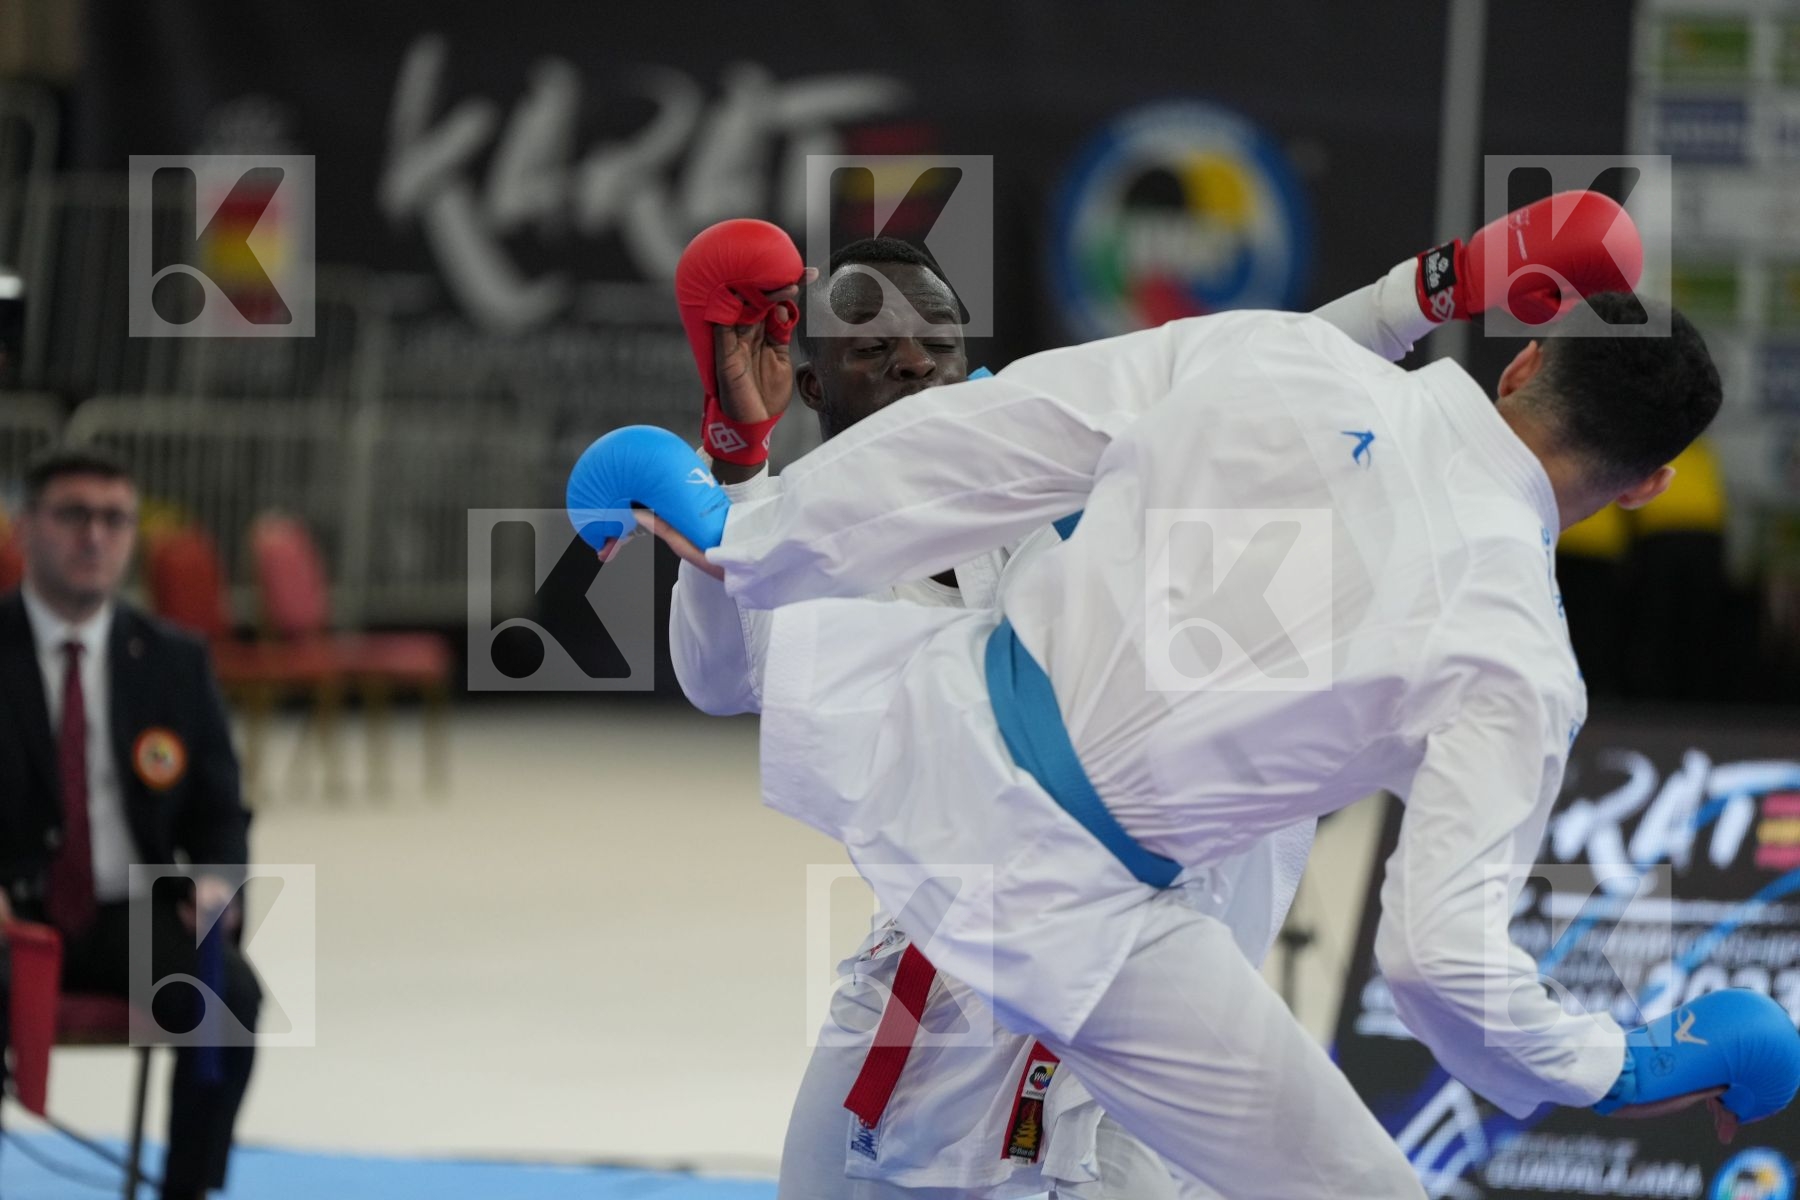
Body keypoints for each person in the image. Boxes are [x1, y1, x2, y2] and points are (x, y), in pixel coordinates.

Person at [580, 283, 1800, 1197]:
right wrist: (1621, 1066)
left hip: (957, 748)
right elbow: (1438, 965)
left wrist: (753, 526)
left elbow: (993, 432)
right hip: (1070, 926)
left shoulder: (1282, 356)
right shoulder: (1521, 662)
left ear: (1523, 360)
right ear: (1649, 483)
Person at [0, 448, 260, 1200]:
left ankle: (187, 1190)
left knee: (233, 1003)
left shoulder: (173, 659)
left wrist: (219, 881)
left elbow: (221, 806)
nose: (95, 537)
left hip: (130, 909)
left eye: (115, 519)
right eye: (74, 515)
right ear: (27, 528)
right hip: (13, 914)